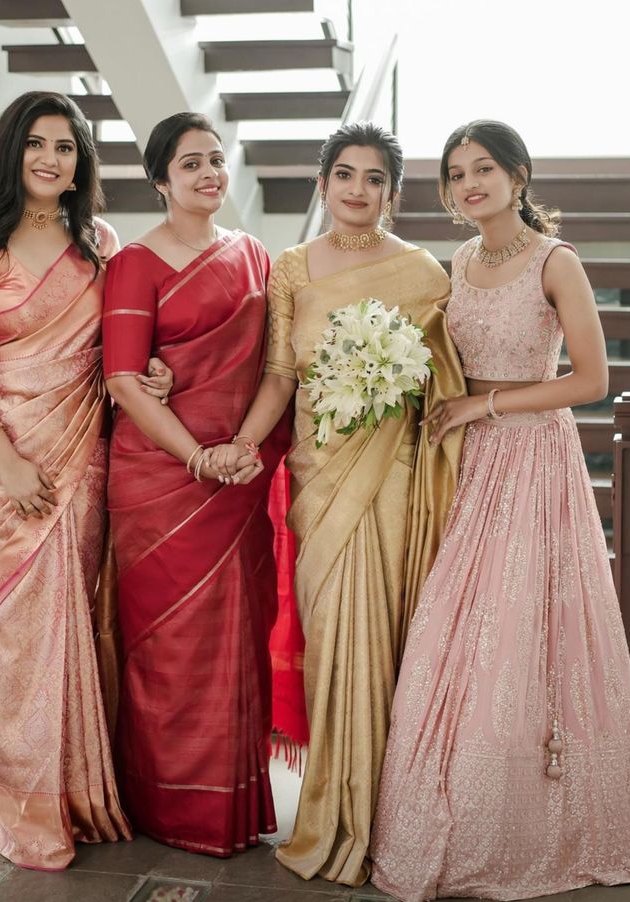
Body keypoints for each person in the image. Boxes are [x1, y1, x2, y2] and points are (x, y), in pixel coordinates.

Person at [369, 120, 630, 901]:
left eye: (485, 167)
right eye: (457, 173)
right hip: (469, 464)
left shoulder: (555, 262)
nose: (470, 183)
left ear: (519, 175)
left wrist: (485, 406)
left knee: (521, 627)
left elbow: (592, 380)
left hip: (531, 459)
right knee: (448, 630)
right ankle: (447, 810)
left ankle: (539, 820)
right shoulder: (460, 260)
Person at [206, 121, 466, 886]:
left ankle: (394, 818)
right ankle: (331, 807)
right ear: (323, 185)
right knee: (327, 641)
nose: (358, 190)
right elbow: (281, 375)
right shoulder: (290, 267)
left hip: (393, 475)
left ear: (392, 190)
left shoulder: (424, 274)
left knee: (383, 637)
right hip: (320, 478)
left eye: (375, 178)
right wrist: (249, 443)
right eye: (345, 175)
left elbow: (446, 378)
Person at [0, 91, 170, 871]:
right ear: (12, 151)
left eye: (65, 147)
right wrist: (5, 458)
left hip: (81, 452)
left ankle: (76, 796)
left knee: (83, 621)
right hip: (2, 460)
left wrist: (152, 376)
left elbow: (119, 352)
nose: (49, 158)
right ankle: (25, 804)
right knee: (22, 637)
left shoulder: (100, 241)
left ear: (81, 163)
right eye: (36, 144)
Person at [102, 111, 291, 858]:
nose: (210, 173)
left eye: (216, 160)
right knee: (167, 649)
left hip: (239, 476)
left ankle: (231, 811)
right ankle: (166, 806)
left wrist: (239, 450)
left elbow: (278, 369)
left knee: (235, 641)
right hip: (160, 483)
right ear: (160, 181)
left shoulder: (254, 256)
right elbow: (124, 378)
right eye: (191, 164)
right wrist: (197, 458)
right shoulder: (136, 264)